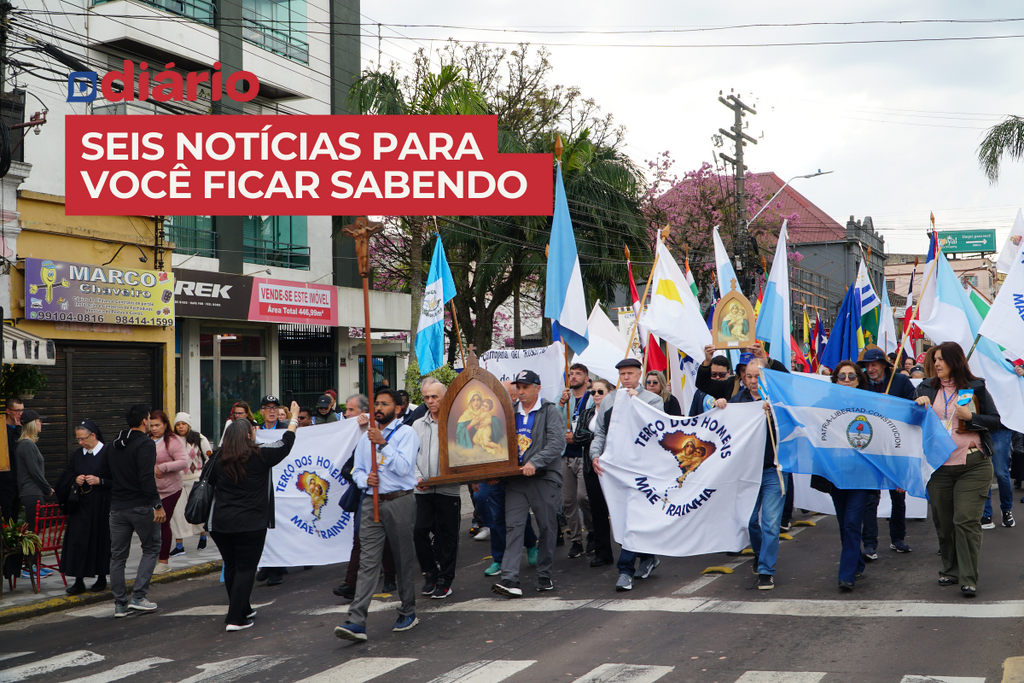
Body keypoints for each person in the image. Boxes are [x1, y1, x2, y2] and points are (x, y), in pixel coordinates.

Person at [334, 388, 421, 642]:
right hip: (371, 503)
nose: (379, 408)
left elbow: (405, 467)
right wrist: (364, 479)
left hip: (399, 501)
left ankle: (408, 610)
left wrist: (383, 444)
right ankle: (356, 620)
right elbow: (356, 470)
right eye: (376, 404)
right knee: (368, 562)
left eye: (385, 404)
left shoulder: (406, 433)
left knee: (403, 559)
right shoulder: (365, 439)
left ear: (398, 408)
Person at [916, 342, 1001, 597]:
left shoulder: (975, 388)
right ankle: (950, 569)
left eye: (942, 359)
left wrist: (971, 418)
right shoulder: (925, 388)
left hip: (972, 464)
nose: (937, 363)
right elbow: (911, 423)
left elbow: (996, 422)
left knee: (965, 520)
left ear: (955, 361)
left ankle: (968, 578)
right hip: (938, 466)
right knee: (944, 522)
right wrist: (917, 406)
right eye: (935, 359)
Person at [207, 402, 299, 631]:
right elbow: (285, 444)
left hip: (220, 523)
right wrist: (294, 419)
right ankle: (236, 618)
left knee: (232, 566)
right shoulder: (259, 455)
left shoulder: (217, 458)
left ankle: (243, 608)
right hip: (250, 522)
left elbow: (207, 483)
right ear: (249, 433)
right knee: (247, 568)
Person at [590, 358, 664, 591]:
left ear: (639, 374)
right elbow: (601, 431)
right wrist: (595, 454)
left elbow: (659, 431)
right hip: (616, 470)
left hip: (642, 470)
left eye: (630, 373)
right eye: (622, 374)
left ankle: (625, 570)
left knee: (633, 516)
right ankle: (648, 556)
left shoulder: (653, 399)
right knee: (625, 517)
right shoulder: (610, 399)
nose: (626, 378)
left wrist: (637, 407)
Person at [716, 357, 788, 590]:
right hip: (747, 472)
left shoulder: (779, 401)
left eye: (759, 376)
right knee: (749, 521)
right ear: (743, 379)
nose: (754, 380)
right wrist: (718, 408)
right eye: (749, 376)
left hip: (772, 471)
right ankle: (759, 553)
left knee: (770, 522)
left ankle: (766, 570)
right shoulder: (736, 403)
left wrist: (774, 413)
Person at [492, 369, 564, 598]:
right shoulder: (509, 412)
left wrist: (536, 461)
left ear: (537, 388)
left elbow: (556, 443)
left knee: (547, 527)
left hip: (544, 479)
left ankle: (544, 575)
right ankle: (509, 578)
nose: (520, 391)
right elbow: (498, 443)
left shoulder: (549, 411)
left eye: (525, 387)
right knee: (513, 527)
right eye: (518, 387)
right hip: (516, 480)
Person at [817, 362, 874, 592]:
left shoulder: (872, 404)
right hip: (836, 473)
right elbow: (798, 410)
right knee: (844, 523)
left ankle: (846, 575)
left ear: (859, 379)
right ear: (836, 381)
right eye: (842, 376)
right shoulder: (825, 405)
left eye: (852, 376)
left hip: (862, 474)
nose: (847, 380)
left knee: (852, 522)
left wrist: (919, 403)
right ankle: (857, 561)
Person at [104, 405, 164, 617]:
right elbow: (146, 477)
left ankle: (120, 604)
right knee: (151, 547)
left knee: (118, 556)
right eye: (149, 418)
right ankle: (138, 597)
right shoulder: (145, 444)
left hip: (118, 507)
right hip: (140, 506)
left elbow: (105, 473)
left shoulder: (113, 444)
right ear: (144, 421)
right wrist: (156, 504)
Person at [857, 346, 916, 556]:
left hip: (895, 447)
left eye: (873, 364)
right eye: (866, 365)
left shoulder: (900, 382)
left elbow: (914, 407)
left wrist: (892, 404)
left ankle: (898, 538)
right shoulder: (861, 383)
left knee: (898, 494)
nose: (870, 369)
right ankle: (870, 543)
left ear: (884, 364)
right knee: (870, 497)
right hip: (871, 447)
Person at [413, 378, 460, 599]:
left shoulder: (456, 421)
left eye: (434, 397)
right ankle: (431, 572)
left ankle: (445, 580)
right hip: (422, 490)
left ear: (445, 396)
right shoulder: (417, 425)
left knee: (448, 536)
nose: (430, 401)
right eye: (426, 397)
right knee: (419, 531)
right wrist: (417, 477)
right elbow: (410, 456)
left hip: (448, 489)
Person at [59, 420, 113, 594]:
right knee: (77, 541)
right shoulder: (78, 454)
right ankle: (78, 579)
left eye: (83, 439)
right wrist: (75, 479)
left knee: (100, 540)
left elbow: (119, 479)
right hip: (81, 505)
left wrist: (100, 481)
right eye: (78, 439)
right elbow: (67, 474)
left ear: (94, 436)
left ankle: (101, 577)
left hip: (101, 504)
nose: (80, 442)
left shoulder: (108, 453)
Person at [558, 363, 595, 558]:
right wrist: (562, 404)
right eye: (571, 374)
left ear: (586, 379)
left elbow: (594, 426)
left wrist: (577, 438)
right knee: (568, 500)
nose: (573, 377)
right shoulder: (564, 397)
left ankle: (591, 531)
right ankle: (575, 540)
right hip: (566, 455)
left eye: (578, 374)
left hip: (583, 455)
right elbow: (554, 422)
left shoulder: (591, 398)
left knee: (583, 497)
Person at [149, 410, 189, 575]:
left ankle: (163, 561)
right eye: (151, 425)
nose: (154, 428)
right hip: (150, 490)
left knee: (163, 523)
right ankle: (151, 558)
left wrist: (163, 467)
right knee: (150, 524)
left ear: (165, 424)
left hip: (169, 489)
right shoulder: (147, 440)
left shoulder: (172, 440)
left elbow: (184, 461)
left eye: (157, 425)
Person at [254, 395, 288, 586]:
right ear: (261, 412)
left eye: (275, 407)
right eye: (268, 408)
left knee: (280, 526)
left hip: (285, 485)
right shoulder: (256, 431)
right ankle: (267, 564)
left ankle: (276, 570)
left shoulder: (286, 429)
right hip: (264, 484)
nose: (272, 411)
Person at [16, 409, 54, 578]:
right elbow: (34, 471)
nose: (41, 424)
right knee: (32, 531)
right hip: (32, 493)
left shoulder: (27, 444)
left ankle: (34, 564)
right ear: (32, 424)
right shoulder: (26, 445)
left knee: (34, 531)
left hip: (33, 492)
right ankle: (29, 566)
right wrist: (47, 488)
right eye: (39, 421)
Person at [170, 413, 212, 556]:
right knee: (177, 514)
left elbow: (209, 457)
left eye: (184, 424)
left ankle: (203, 536)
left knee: (198, 509)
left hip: (196, 480)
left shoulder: (199, 439)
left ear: (188, 425)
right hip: (177, 482)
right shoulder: (171, 440)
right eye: (178, 424)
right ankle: (179, 545)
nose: (181, 426)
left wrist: (205, 476)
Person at [0, 398, 23, 522]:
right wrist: (18, 429)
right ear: (8, 410)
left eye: (22, 410)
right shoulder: (3, 428)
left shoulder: (21, 428)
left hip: (18, 479)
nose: (20, 414)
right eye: (17, 410)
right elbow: (13, 449)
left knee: (15, 513)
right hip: (5, 479)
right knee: (6, 514)